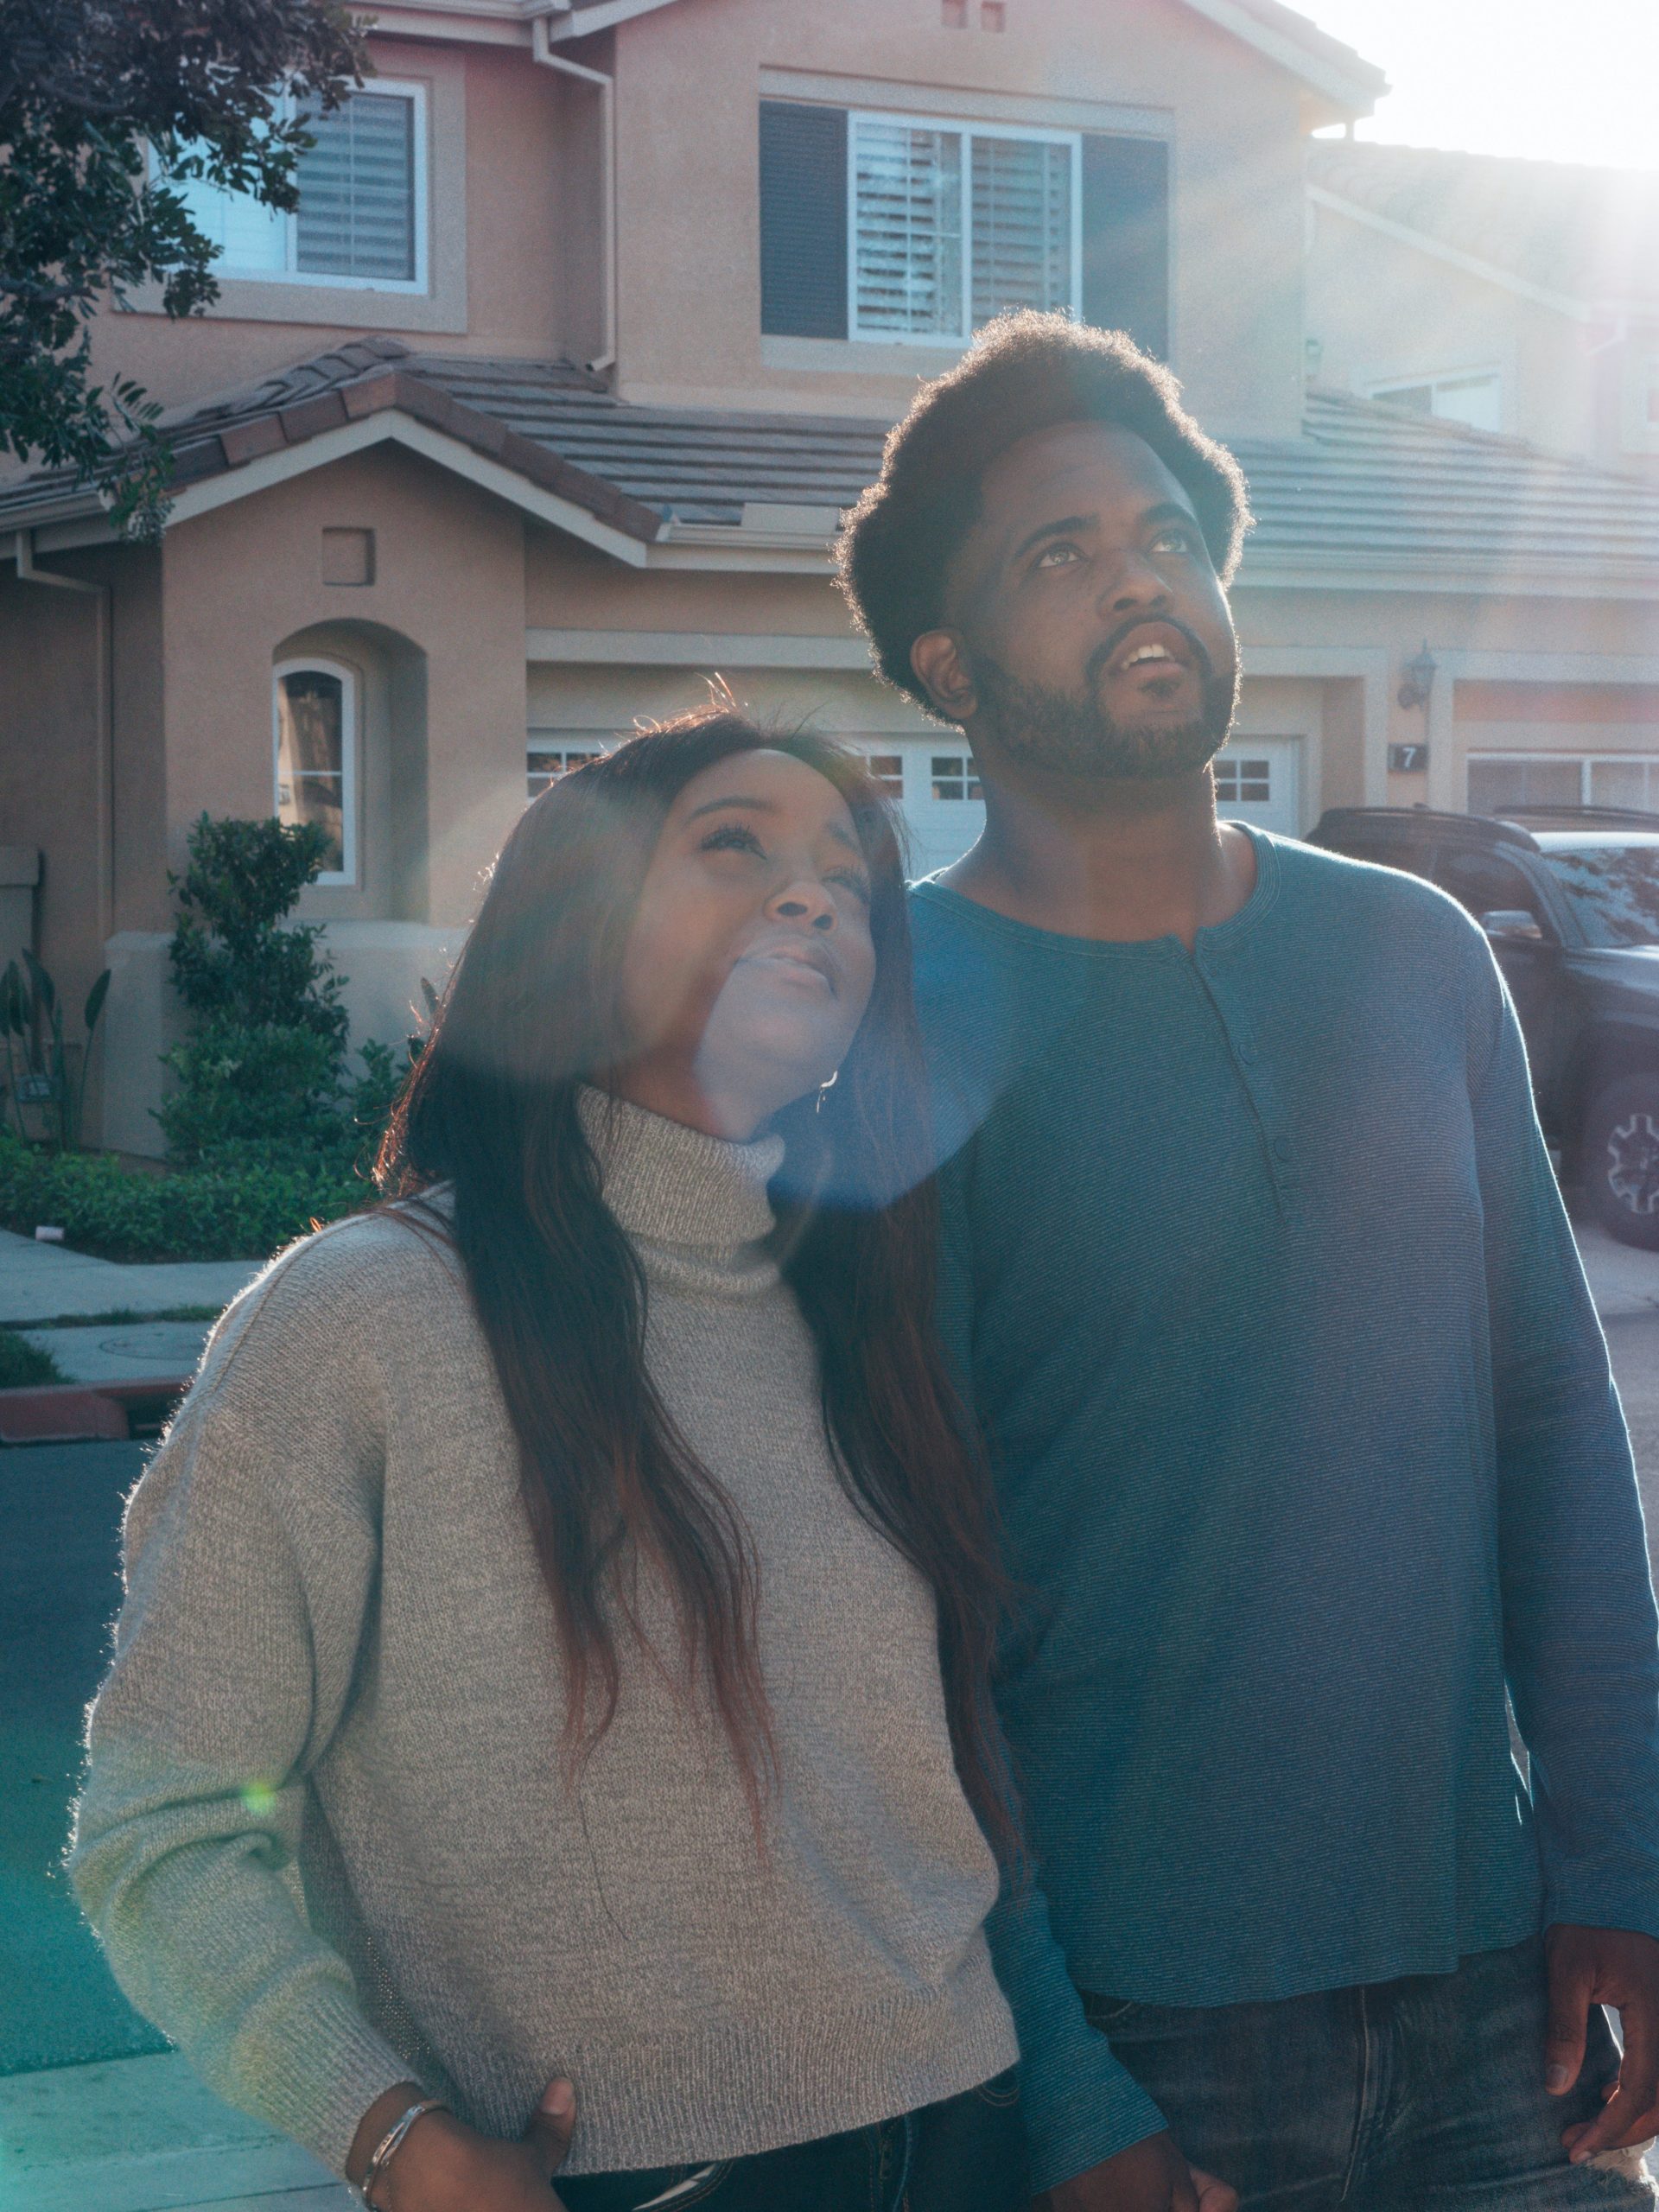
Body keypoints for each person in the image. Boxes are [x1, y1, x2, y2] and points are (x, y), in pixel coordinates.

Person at [836, 310, 1659, 2212]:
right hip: (1142, 2033)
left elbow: (1551, 1426)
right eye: (1062, 554)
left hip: (1491, 1984)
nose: (1142, 581)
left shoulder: (1419, 953)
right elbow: (888, 1616)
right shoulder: (892, 1018)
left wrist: (1619, 1865)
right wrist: (1057, 2079)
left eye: (1167, 537)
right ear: (947, 662)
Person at [70, 712, 1044, 2212]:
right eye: (737, 846)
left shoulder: (864, 1321)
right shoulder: (368, 1314)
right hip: (633, 2183)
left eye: (850, 879)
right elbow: (161, 1826)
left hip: (969, 2132)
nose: (815, 898)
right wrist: (388, 2135)